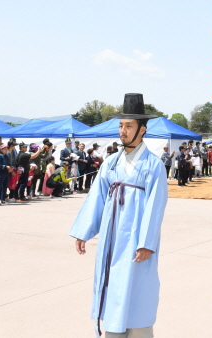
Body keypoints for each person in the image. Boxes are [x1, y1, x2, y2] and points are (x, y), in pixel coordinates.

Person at [70, 93, 167, 337]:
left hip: (136, 240)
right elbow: (97, 198)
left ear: (142, 130)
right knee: (111, 284)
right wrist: (84, 232)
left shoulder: (152, 165)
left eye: (129, 126)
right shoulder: (111, 163)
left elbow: (156, 207)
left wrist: (146, 243)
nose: (122, 131)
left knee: (137, 288)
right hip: (111, 241)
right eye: (121, 126)